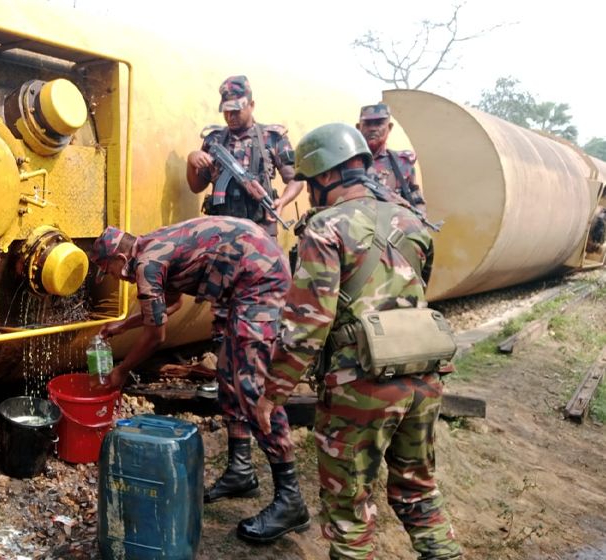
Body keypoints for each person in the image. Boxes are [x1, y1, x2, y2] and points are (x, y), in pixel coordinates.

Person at [256, 123, 462, 559]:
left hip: (361, 386)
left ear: (326, 177)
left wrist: (272, 394)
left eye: (310, 182)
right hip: (423, 377)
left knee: (349, 510)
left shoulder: (325, 229)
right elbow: (417, 293)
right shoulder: (414, 220)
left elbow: (306, 326)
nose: (309, 192)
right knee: (419, 494)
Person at [89, 217, 310, 543]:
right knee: (227, 376)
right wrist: (122, 327)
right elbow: (174, 303)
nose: (110, 277)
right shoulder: (152, 248)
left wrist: (120, 372)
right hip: (241, 281)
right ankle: (240, 471)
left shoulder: (147, 264)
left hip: (260, 277)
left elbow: (156, 335)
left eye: (106, 270)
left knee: (250, 385)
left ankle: (291, 499)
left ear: (119, 260)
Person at [187, 75, 305, 237]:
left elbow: (296, 179)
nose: (230, 117)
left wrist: (282, 201)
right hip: (221, 232)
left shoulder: (272, 137)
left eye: (236, 111)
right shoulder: (214, 139)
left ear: (251, 105)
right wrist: (191, 161)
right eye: (226, 111)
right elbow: (196, 187)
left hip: (260, 233)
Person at [356, 103, 427, 212]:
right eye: (367, 124)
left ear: (389, 127)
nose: (373, 129)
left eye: (379, 123)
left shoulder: (402, 163)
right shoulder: (345, 162)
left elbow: (417, 203)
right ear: (358, 128)